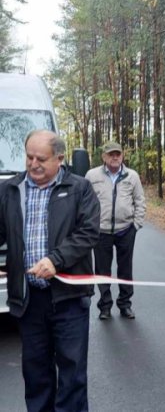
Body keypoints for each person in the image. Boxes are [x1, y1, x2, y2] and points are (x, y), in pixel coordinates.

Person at [0, 129, 100, 412]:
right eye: (29, 157)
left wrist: (56, 260)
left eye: (41, 158)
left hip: (69, 298)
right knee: (36, 375)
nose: (33, 164)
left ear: (59, 158)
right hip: (29, 300)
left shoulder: (80, 188)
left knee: (72, 375)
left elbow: (88, 233)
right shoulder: (9, 189)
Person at [85, 142, 146, 320]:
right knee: (102, 271)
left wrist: (136, 225)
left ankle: (125, 305)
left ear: (122, 156)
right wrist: (89, 225)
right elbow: (84, 201)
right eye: (111, 154)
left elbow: (140, 201)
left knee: (125, 270)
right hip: (101, 231)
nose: (115, 157)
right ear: (104, 156)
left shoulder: (131, 176)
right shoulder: (92, 175)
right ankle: (105, 306)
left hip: (125, 230)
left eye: (118, 154)